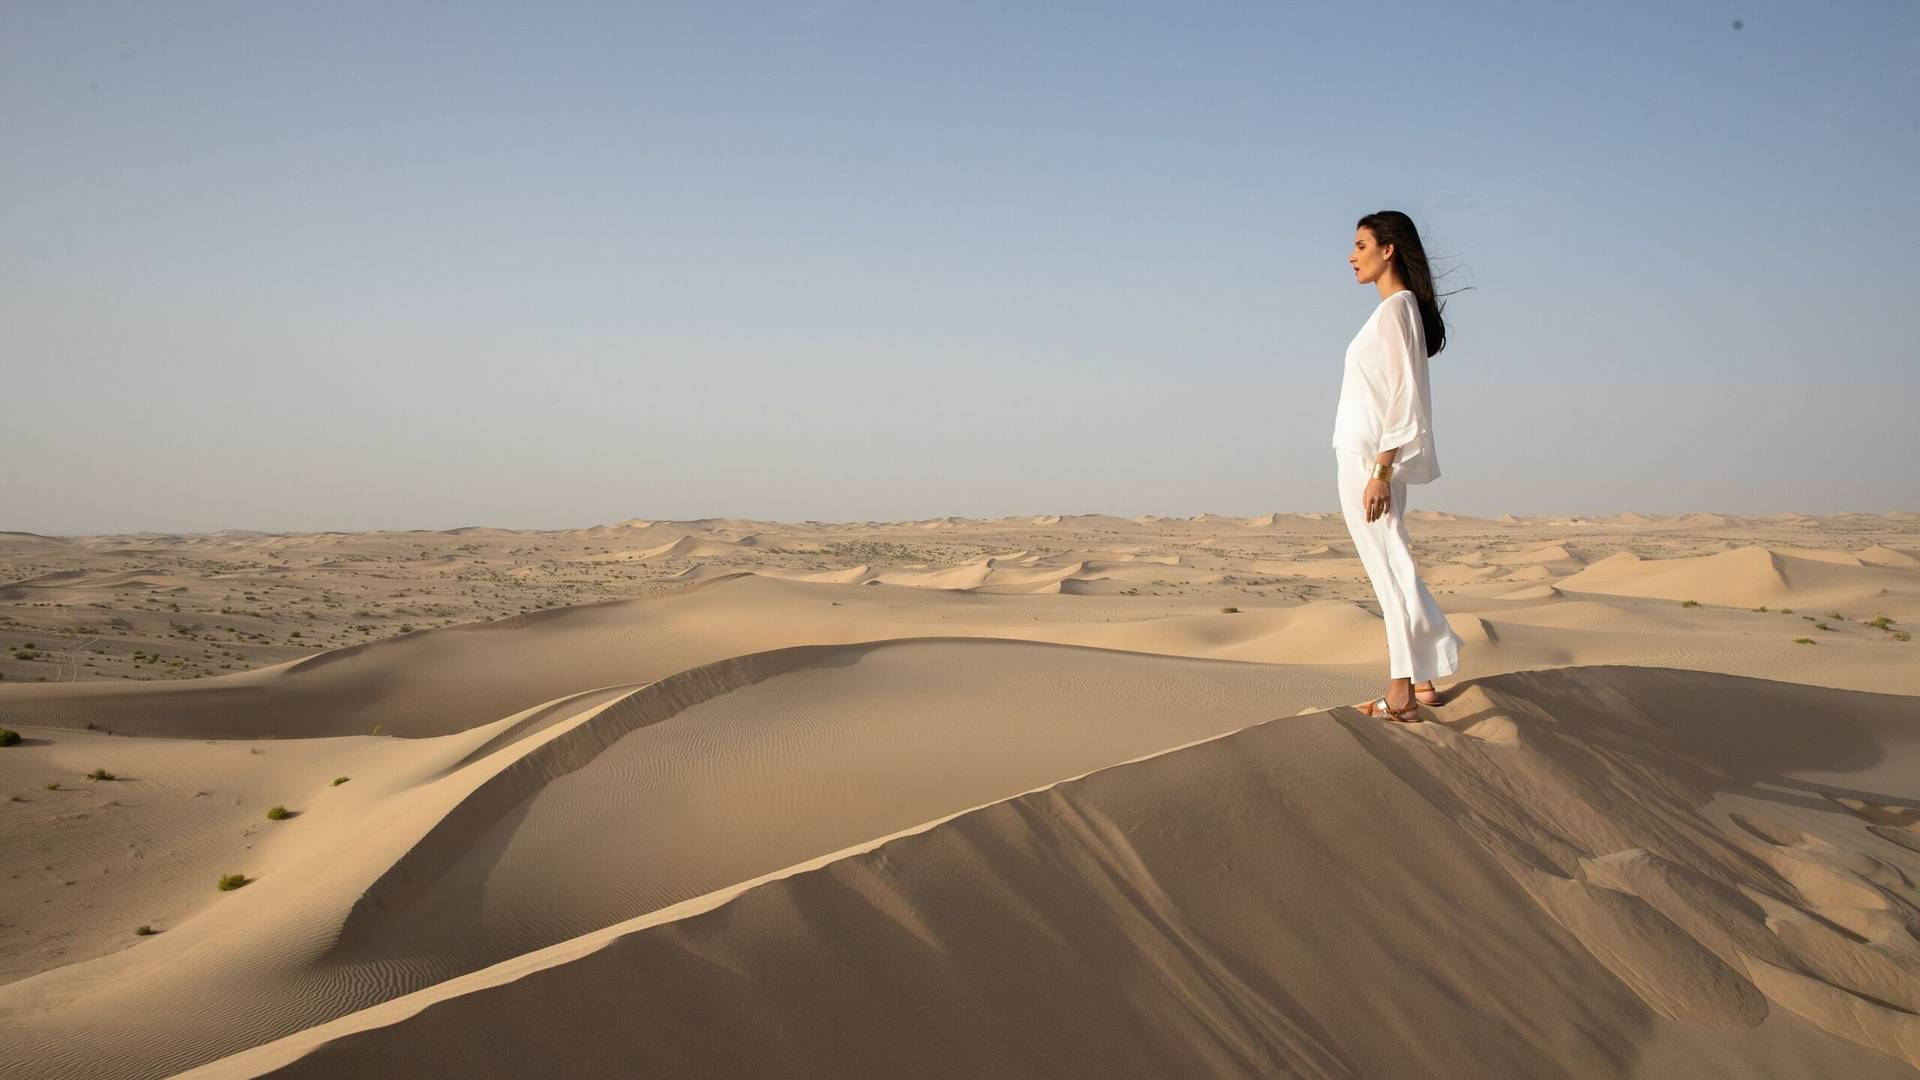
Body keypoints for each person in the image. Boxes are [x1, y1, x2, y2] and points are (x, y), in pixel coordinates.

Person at [1332, 210, 1465, 723]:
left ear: (1388, 250)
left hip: (1369, 458)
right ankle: (1424, 680)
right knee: (1393, 559)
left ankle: (1403, 692)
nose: (1351, 255)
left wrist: (1381, 471)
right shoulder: (1398, 309)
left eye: (1361, 245)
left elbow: (1403, 397)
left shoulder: (1395, 310)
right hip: (1369, 455)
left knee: (1388, 568)